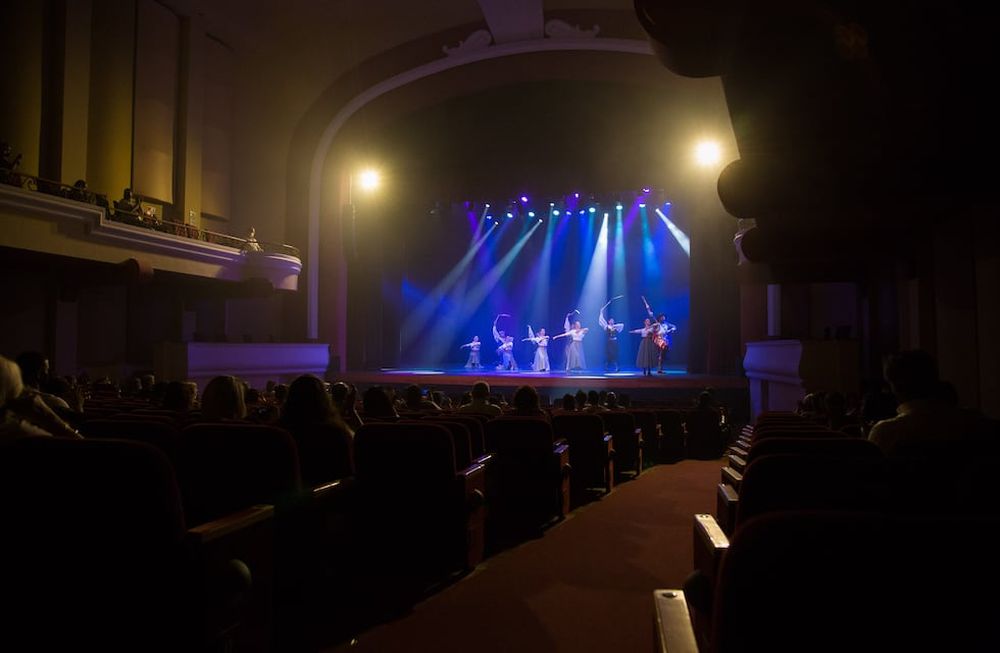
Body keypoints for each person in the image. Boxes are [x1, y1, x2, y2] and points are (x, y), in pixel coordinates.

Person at [599, 297, 625, 372]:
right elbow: (601, 318)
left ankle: (616, 367)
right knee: (609, 355)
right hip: (609, 343)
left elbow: (622, 325)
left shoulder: (616, 327)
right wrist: (603, 309)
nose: (612, 321)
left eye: (613, 320)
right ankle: (606, 367)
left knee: (615, 355)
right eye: (611, 320)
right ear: (609, 321)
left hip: (614, 342)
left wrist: (614, 326)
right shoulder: (606, 326)